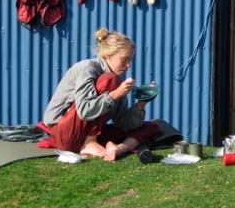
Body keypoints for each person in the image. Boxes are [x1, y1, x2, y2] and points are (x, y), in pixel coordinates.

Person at [42, 28, 160, 162]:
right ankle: (89, 142)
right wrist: (115, 94)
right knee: (110, 80)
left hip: (83, 132)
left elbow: (122, 123)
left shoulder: (117, 81)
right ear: (108, 55)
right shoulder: (87, 68)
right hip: (65, 134)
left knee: (152, 127)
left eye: (130, 60)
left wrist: (141, 104)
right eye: (124, 59)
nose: (128, 65)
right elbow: (84, 111)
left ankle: (118, 148)